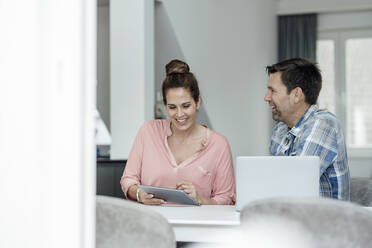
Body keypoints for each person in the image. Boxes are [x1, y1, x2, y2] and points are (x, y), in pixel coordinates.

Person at [121, 59, 235, 205]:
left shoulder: (219, 145)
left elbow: (226, 199)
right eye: (172, 107)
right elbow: (128, 179)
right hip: (150, 223)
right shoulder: (148, 131)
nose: (179, 114)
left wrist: (199, 199)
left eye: (186, 106)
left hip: (195, 225)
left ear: (198, 102)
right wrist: (138, 194)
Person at [264, 58, 350, 200]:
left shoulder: (324, 125)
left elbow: (294, 185)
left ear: (296, 94)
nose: (266, 97)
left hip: (325, 221)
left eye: (273, 91)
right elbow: (275, 182)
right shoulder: (280, 130)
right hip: (291, 216)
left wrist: (256, 193)